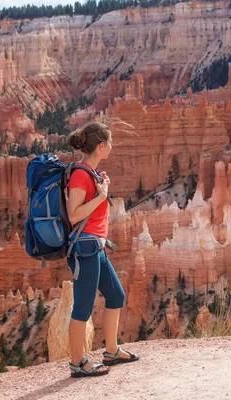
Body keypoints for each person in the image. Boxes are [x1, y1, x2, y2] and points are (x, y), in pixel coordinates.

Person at [65, 122, 139, 378]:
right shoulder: (80, 175)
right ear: (100, 146)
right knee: (83, 308)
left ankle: (111, 350)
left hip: (96, 247)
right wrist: (100, 196)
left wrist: (101, 190)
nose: (113, 146)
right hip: (85, 249)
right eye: (110, 142)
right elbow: (73, 215)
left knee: (116, 296)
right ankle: (77, 363)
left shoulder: (92, 173)